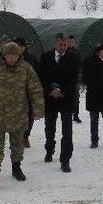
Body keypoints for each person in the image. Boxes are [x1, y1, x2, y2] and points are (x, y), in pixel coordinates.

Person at [0, 42, 45, 190]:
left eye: (15, 56)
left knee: (17, 144)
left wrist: (38, 109)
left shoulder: (26, 68)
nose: (12, 59)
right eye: (9, 56)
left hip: (18, 114)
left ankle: (16, 167)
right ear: (4, 55)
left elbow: (35, 89)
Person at [39, 33, 80, 172]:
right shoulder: (45, 57)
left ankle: (65, 159)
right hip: (50, 98)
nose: (62, 47)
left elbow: (74, 78)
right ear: (55, 44)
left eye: (64, 45)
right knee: (49, 128)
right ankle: (49, 150)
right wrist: (50, 90)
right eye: (60, 45)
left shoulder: (73, 58)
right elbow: (41, 77)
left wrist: (61, 90)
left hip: (66, 99)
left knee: (67, 131)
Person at [82, 42, 103, 149]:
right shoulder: (88, 62)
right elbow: (85, 78)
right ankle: (94, 141)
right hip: (94, 96)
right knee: (94, 120)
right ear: (100, 51)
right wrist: (95, 88)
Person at [13, 37, 39, 149]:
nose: (19, 48)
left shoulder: (31, 58)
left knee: (29, 115)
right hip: (14, 92)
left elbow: (38, 73)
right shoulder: (10, 58)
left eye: (21, 46)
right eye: (17, 46)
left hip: (28, 92)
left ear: (24, 47)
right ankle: (15, 139)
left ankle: (25, 136)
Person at [67, 34, 83, 123]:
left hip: (75, 79)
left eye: (72, 42)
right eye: (69, 42)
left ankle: (76, 115)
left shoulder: (77, 53)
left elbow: (80, 64)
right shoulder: (64, 52)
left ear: (74, 42)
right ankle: (67, 113)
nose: (70, 43)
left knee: (76, 98)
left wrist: (79, 74)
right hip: (65, 79)